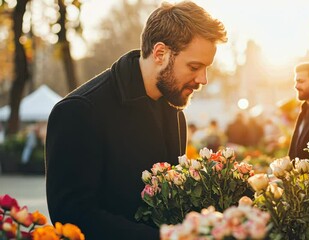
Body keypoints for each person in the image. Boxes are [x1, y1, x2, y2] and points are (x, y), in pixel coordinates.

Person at [45, 2, 227, 239]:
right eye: (194, 67)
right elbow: (71, 215)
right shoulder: (79, 111)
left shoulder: (174, 113)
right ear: (160, 53)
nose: (202, 79)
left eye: (206, 68)